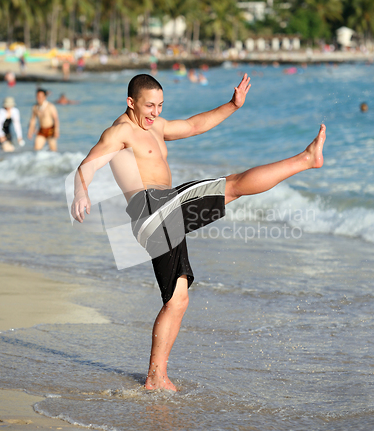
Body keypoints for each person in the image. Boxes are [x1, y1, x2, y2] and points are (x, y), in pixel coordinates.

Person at [71, 73, 326, 391]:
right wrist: (81, 192)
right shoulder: (121, 131)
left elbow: (193, 125)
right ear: (131, 102)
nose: (156, 112)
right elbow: (89, 164)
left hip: (156, 219)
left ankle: (156, 377)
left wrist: (232, 106)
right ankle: (305, 159)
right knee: (232, 186)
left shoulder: (157, 127)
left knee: (178, 300)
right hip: (153, 208)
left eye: (161, 105)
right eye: (149, 106)